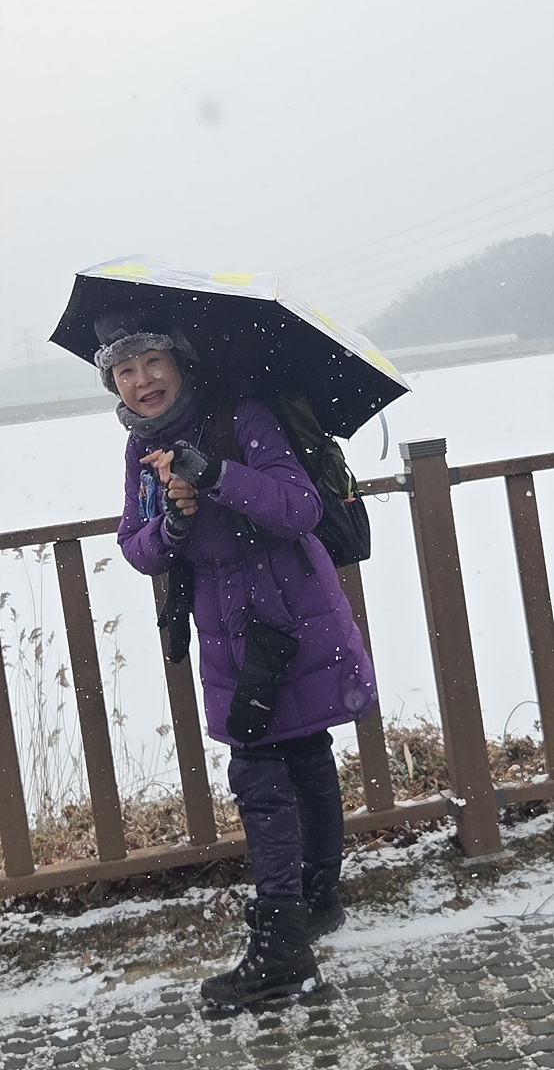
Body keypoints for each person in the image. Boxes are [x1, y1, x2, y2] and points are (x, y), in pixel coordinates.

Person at [94, 307, 377, 1006]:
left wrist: (215, 473)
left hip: (290, 615)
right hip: (228, 625)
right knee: (300, 754)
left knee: (264, 767)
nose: (141, 380)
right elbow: (136, 546)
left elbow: (299, 508)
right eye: (124, 370)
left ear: (179, 361)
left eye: (151, 361)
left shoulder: (241, 416)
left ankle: (284, 948)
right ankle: (314, 902)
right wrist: (173, 522)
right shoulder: (140, 449)